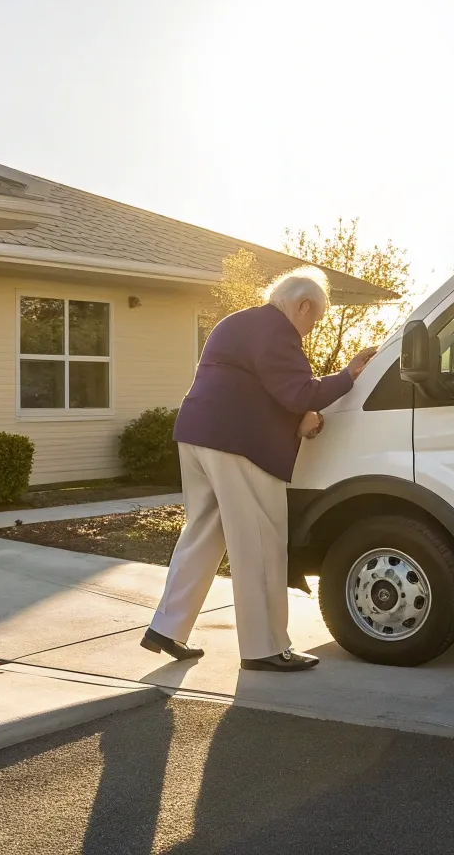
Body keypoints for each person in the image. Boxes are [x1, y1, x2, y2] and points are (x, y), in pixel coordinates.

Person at [144, 268, 375, 672]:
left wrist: (302, 411)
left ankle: (167, 626)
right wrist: (349, 374)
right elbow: (298, 392)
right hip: (240, 444)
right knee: (261, 543)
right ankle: (264, 647)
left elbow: (263, 386)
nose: (307, 331)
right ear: (302, 305)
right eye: (313, 320)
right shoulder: (276, 329)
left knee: (202, 531)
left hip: (197, 434)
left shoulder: (237, 322)